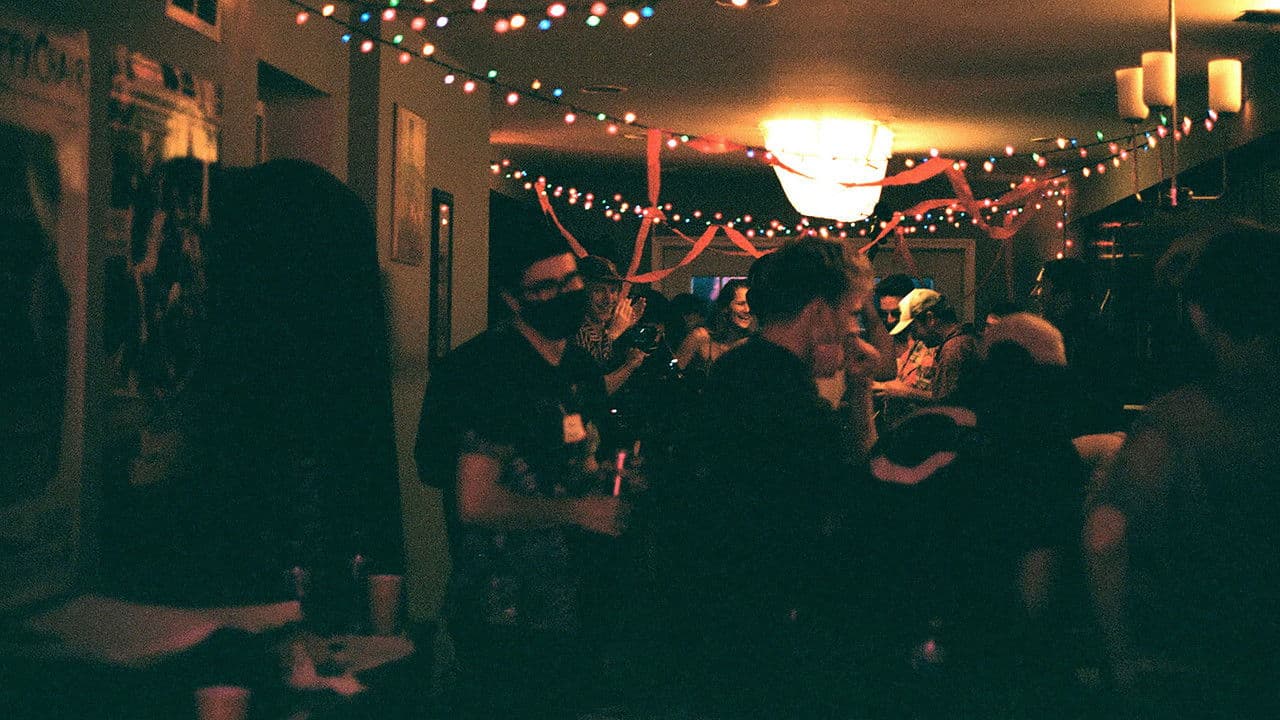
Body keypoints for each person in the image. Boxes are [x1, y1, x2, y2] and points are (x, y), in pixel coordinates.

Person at [415, 222, 631, 718]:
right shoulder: (487, 372)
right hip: (505, 604)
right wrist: (577, 511)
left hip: (578, 592)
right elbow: (471, 500)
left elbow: (577, 455)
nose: (565, 295)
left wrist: (607, 477)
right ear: (513, 301)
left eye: (571, 281)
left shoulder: (578, 365)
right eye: (546, 288)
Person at [661, 238, 878, 718]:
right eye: (849, 313)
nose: (852, 328)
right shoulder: (786, 397)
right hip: (760, 612)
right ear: (818, 314)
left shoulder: (739, 365)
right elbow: (852, 486)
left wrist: (857, 384)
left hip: (710, 602)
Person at [1083, 221, 1280, 718]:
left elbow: (1104, 536)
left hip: (1200, 662)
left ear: (1200, 315)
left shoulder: (1178, 419)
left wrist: (1122, 663)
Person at [862, 312, 1087, 718]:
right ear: (1042, 376)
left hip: (882, 644)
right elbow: (1037, 581)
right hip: (981, 659)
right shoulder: (1039, 450)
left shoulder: (914, 427)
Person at [872, 288, 978, 428]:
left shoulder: (954, 349)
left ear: (930, 319)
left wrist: (906, 393)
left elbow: (948, 405)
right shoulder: (960, 342)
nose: (915, 336)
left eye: (914, 327)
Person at [573, 254, 648, 395]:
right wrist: (614, 334)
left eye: (613, 290)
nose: (609, 299)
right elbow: (590, 391)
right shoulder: (575, 331)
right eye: (599, 290)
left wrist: (627, 328)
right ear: (582, 293)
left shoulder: (604, 328)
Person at [673, 278, 755, 373]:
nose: (747, 310)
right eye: (740, 304)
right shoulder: (700, 336)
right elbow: (673, 373)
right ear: (725, 307)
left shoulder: (753, 342)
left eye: (751, 304)